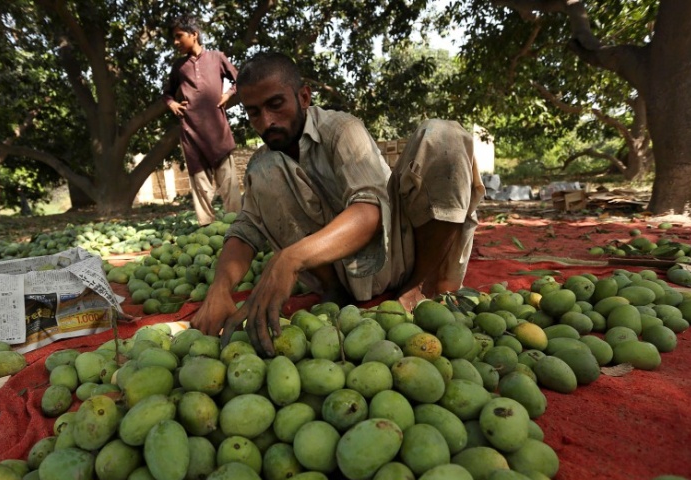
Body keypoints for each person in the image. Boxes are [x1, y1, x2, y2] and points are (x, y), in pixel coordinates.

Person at [191, 52, 485, 356]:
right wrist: (220, 287)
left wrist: (290, 259)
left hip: (398, 250)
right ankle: (335, 293)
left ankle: (420, 286)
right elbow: (246, 229)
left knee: (443, 136)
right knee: (262, 169)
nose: (266, 122)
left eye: (275, 105)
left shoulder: (342, 130)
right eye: (253, 113)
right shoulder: (264, 162)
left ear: (304, 96)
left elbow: (369, 209)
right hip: (339, 270)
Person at [163, 15, 242, 226]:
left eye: (179, 36)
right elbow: (167, 93)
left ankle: (239, 229)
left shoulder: (217, 58)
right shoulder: (178, 67)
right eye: (174, 38)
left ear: (194, 34)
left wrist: (228, 94)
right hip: (191, 132)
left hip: (219, 133)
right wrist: (171, 104)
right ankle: (206, 229)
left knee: (229, 185)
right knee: (200, 185)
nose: (176, 42)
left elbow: (239, 79)